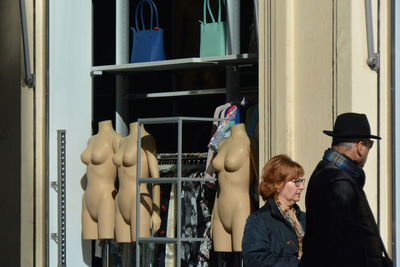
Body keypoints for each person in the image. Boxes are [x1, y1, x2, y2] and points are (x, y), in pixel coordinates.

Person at [300, 112, 392, 267]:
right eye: (369, 145)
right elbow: (340, 246)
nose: (368, 151)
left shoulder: (332, 174)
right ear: (360, 146)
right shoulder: (338, 181)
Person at [242, 154, 306, 267]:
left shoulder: (304, 218)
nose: (301, 186)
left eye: (301, 181)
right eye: (296, 181)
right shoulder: (259, 220)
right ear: (277, 184)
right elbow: (254, 260)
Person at [113, 122, 161, 242]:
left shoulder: (146, 139)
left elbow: (156, 178)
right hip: (120, 201)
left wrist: (156, 211)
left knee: (141, 249)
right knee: (123, 252)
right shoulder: (122, 141)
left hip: (139, 200)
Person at [211, 123, 256, 252]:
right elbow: (219, 183)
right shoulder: (221, 144)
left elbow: (260, 178)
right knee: (221, 260)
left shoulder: (250, 143)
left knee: (242, 258)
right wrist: (214, 212)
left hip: (241, 208)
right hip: (219, 209)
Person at [81, 120, 122, 239]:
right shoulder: (91, 140)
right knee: (90, 238)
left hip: (106, 196)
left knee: (107, 239)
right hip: (87, 197)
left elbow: (124, 169)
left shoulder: (116, 138)